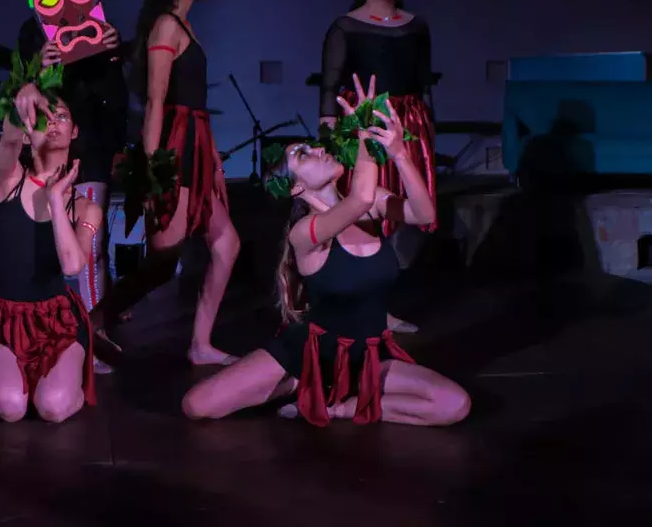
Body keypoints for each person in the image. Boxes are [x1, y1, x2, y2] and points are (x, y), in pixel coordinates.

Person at [181, 75, 469, 427]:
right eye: (303, 154)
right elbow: (359, 195)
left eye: (312, 146)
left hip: (368, 356)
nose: (320, 149)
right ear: (297, 187)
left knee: (454, 405)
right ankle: (307, 386)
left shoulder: (373, 202)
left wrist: (399, 153)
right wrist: (366, 131)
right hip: (305, 356)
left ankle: (339, 407)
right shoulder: (305, 233)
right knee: (196, 405)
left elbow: (424, 214)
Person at [89, 0, 239, 366]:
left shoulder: (182, 24)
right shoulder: (166, 26)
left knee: (227, 244)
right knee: (162, 259)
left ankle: (200, 344)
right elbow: (154, 102)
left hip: (195, 141)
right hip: (175, 143)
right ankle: (94, 321)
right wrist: (154, 170)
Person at [319, 0, 436, 333]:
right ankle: (369, 305)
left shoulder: (416, 26)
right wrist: (331, 135)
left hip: (408, 124)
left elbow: (424, 84)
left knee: (410, 209)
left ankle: (381, 298)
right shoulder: (346, 26)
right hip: (364, 120)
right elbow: (330, 85)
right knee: (367, 206)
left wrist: (426, 128)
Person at [0, 91, 98, 422]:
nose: (54, 123)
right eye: (45, 118)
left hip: (57, 320)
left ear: (75, 131)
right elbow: (8, 142)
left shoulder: (86, 208)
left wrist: (57, 200)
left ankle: (61, 378)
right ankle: (15, 378)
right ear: (29, 133)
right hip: (4, 317)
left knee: (53, 408)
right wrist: (23, 99)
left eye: (62, 117)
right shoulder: (8, 180)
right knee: (10, 408)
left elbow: (73, 266)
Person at [15, 5, 127, 374]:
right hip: (49, 148)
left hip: (91, 144)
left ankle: (92, 338)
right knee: (48, 244)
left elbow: (115, 90)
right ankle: (51, 333)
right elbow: (21, 96)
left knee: (92, 245)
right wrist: (40, 67)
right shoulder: (30, 34)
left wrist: (113, 51)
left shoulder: (100, 28)